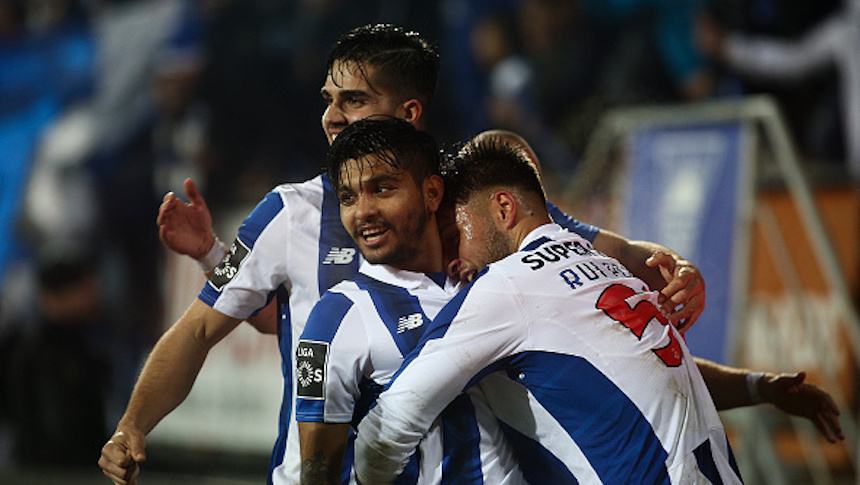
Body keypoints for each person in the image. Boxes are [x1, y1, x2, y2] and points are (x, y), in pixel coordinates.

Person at [100, 23, 704, 485]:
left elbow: (602, 250)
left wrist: (675, 268)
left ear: (410, 113)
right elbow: (218, 327)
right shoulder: (289, 212)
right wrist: (132, 427)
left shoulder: (466, 206)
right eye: (328, 99)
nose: (331, 116)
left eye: (353, 100)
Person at [350, 135, 836, 483]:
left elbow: (388, 426)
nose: (455, 259)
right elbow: (641, 370)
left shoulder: (505, 287)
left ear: (503, 209)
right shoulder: (606, 267)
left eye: (457, 235)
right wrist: (758, 386)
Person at [297, 117, 524, 484]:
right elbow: (317, 474)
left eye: (381, 189)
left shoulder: (492, 281)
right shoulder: (338, 315)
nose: (363, 211)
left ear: (432, 193)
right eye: (348, 197)